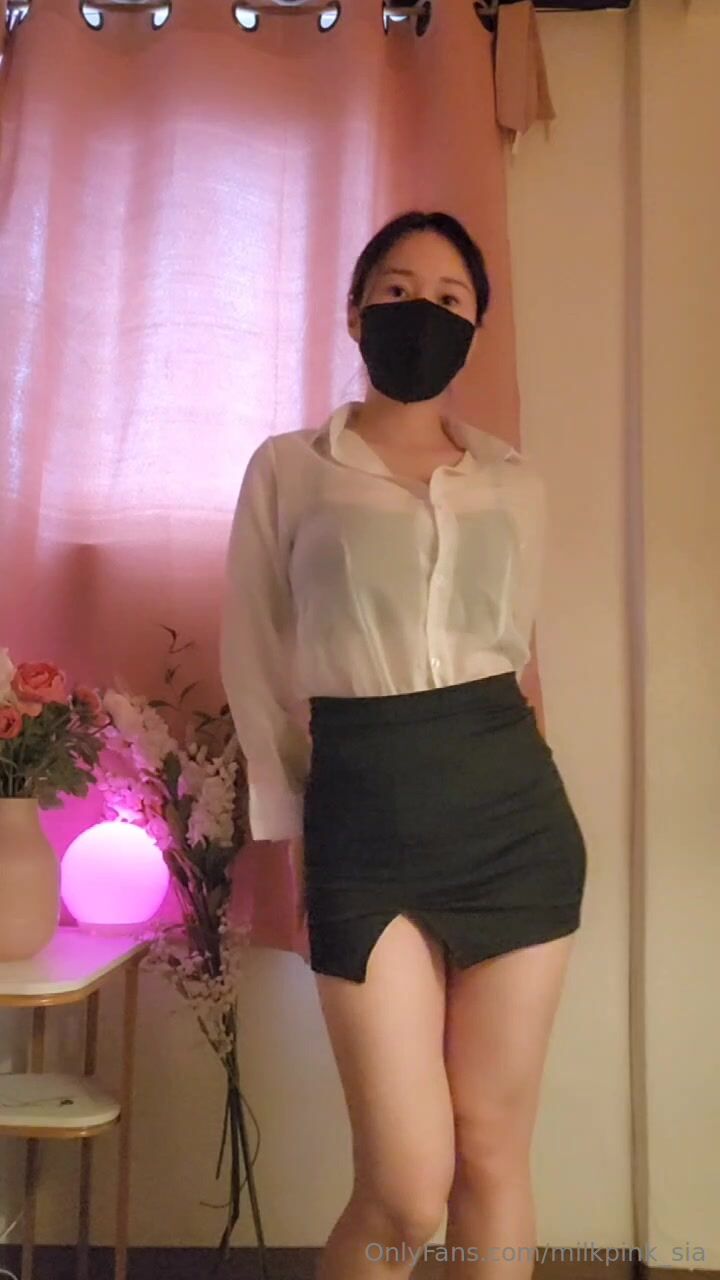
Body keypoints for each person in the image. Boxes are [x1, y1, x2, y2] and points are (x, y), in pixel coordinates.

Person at [220, 210, 587, 1280]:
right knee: (405, 1188)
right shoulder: (290, 468)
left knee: (492, 1151)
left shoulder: (514, 481)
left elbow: (519, 656)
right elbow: (254, 660)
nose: (420, 310)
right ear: (354, 312)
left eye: (448, 297)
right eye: (395, 289)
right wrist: (295, 827)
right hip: (363, 814)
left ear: (473, 328)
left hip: (515, 820)